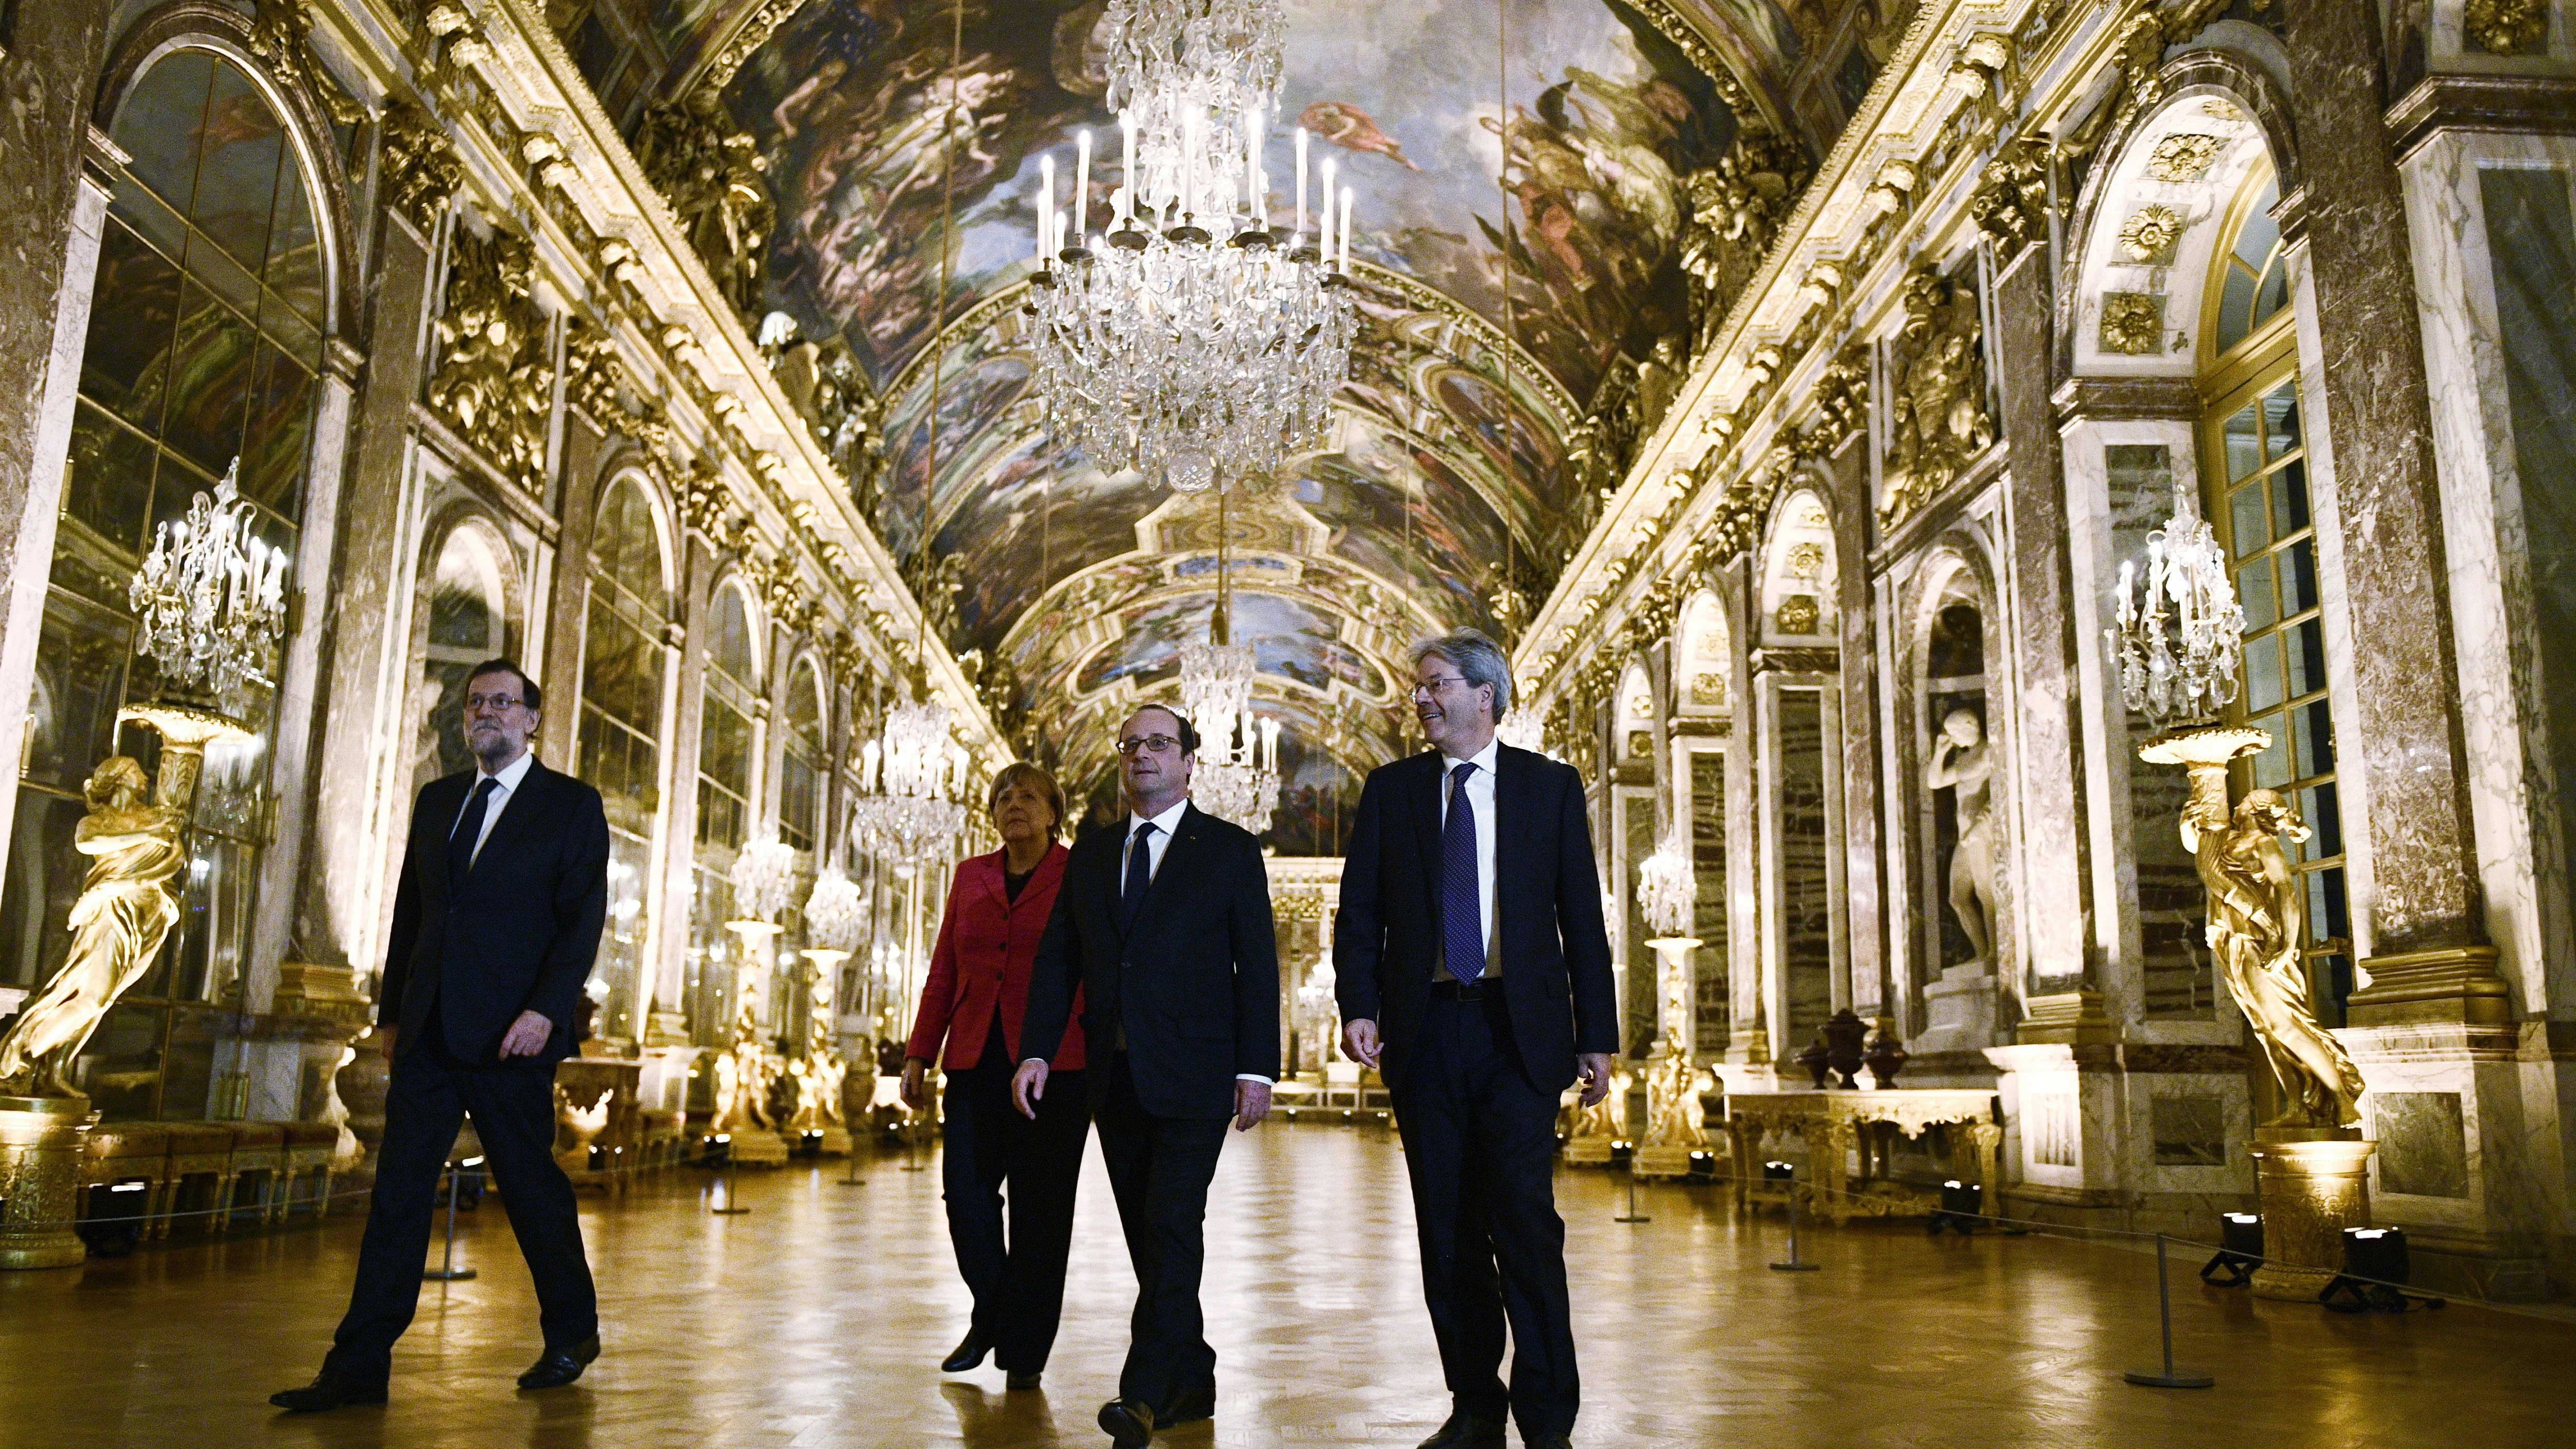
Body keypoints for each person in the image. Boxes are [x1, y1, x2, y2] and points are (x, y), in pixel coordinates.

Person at [273, 659, 611, 1413]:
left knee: (531, 1190)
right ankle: (358, 1362)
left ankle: (572, 1330)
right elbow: (411, 915)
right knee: (397, 1195)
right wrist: (392, 1014)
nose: (485, 711)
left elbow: (580, 922)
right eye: (475, 702)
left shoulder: (571, 806)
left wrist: (546, 1012)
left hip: (511, 1036)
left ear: (532, 720)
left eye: (502, 701)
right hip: (427, 1032)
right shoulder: (438, 800)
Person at [1336, 629, 1617, 1449]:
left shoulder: (1549, 788)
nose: (1420, 698)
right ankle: (1473, 1405)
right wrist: (1359, 1002)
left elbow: (1583, 922)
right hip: (1425, 1029)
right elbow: (1359, 916)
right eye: (1418, 686)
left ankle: (1548, 1418)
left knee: (1527, 1224)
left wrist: (1595, 1032)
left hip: (1519, 1032)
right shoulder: (1391, 792)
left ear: (1484, 694)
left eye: (1436, 684)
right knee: (1447, 1228)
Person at [1013, 704, 1280, 1449]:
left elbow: (1256, 965)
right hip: (1115, 1074)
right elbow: (1059, 958)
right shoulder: (1093, 856)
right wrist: (1037, 1049)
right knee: (1148, 1233)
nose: (1143, 755)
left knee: (1170, 1220)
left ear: (1191, 761)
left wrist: (1258, 1066)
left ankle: (1141, 1394)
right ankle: (1192, 1373)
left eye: (1160, 744)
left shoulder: (1228, 850)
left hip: (1197, 1071)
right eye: (1131, 744)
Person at [902, 762, 1089, 1390]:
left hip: (1057, 1065)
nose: (1015, 803)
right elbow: (943, 969)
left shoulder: (1078, 872)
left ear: (1052, 811)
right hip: (975, 1059)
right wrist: (918, 1053)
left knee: (1041, 1213)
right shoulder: (970, 874)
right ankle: (995, 1310)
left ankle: (1023, 1354)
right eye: (1004, 795)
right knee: (965, 1197)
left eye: (1029, 795)